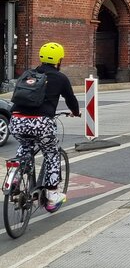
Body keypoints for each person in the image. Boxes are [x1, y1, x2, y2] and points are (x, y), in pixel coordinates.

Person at [10, 42, 81, 212]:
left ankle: (15, 177)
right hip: (41, 122)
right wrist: (75, 112)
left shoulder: (28, 74)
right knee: (51, 154)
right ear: (59, 60)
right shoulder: (60, 78)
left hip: (16, 120)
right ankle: (51, 195)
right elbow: (71, 99)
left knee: (25, 146)